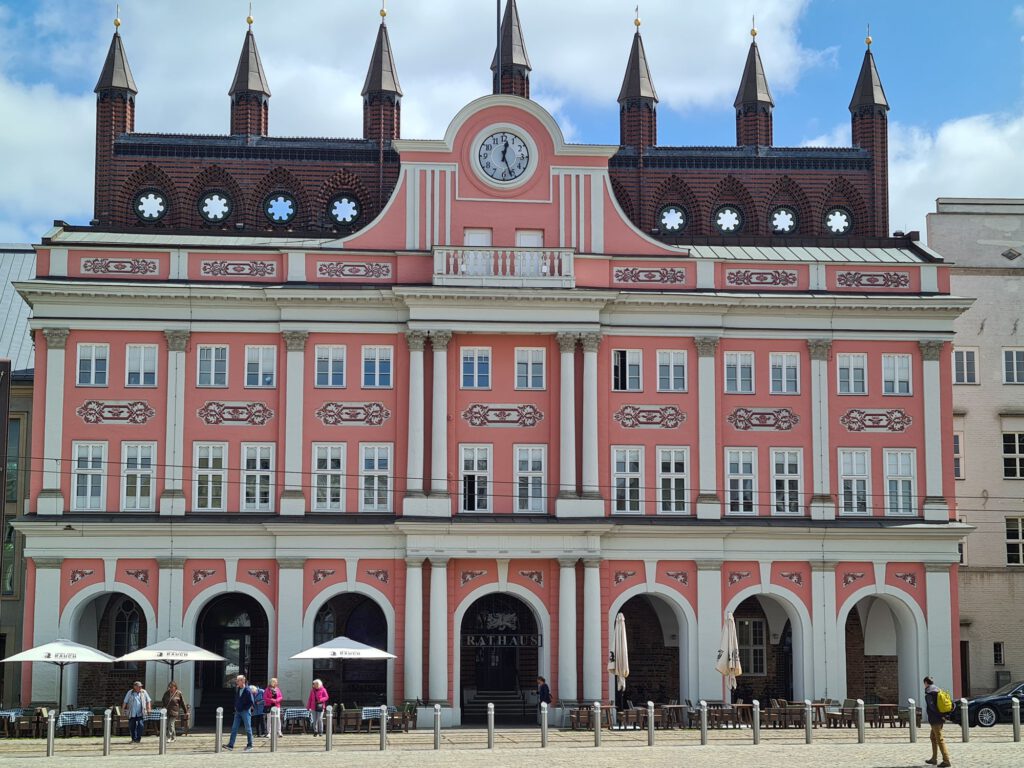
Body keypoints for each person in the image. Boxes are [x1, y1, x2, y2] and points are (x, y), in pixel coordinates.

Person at [924, 676, 952, 767]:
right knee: (933, 737)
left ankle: (946, 761)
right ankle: (934, 759)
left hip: (935, 719)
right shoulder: (938, 690)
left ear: (926, 683)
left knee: (939, 739)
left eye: (924, 684)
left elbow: (932, 708)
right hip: (940, 718)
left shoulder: (929, 693)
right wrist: (944, 715)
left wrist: (940, 716)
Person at [225, 674, 255, 753]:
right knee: (234, 728)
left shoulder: (247, 690)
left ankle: (250, 745)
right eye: (237, 680)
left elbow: (251, 701)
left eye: (238, 680)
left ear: (243, 681)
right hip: (238, 711)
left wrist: (245, 708)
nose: (237, 682)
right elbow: (237, 699)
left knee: (248, 728)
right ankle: (230, 745)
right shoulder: (238, 689)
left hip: (245, 711)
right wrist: (236, 706)